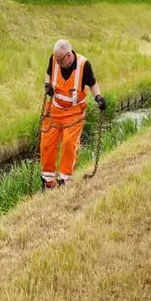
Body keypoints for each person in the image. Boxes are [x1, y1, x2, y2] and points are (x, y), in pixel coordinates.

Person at [41, 40, 107, 189]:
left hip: (74, 113)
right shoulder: (54, 60)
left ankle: (64, 181)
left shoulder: (84, 65)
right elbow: (48, 74)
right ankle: (47, 182)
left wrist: (98, 98)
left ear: (69, 56)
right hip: (55, 111)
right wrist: (48, 85)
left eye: (60, 60)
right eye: (56, 60)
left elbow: (93, 84)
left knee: (69, 144)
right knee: (47, 145)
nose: (57, 63)